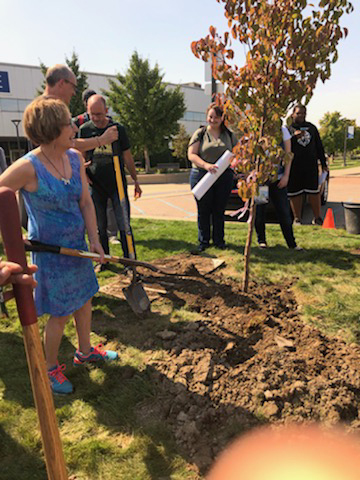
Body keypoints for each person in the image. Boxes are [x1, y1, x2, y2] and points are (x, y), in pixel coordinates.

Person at [0, 96, 118, 395]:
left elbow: (86, 202)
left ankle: (85, 350)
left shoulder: (75, 157)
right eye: (69, 122)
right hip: (50, 255)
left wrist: (95, 240)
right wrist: (13, 238)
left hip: (78, 247)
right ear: (52, 128)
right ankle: (50, 367)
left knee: (86, 298)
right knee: (61, 312)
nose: (75, 126)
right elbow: (1, 194)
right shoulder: (29, 167)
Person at [79, 94, 142, 267]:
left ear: (106, 111)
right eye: (93, 115)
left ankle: (130, 261)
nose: (97, 119)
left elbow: (127, 157)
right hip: (95, 185)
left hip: (117, 185)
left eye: (100, 114)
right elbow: (80, 156)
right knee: (100, 227)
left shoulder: (117, 129)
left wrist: (135, 180)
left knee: (124, 225)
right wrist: (83, 174)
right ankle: (103, 260)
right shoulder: (85, 130)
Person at [188, 103, 237, 252]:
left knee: (219, 210)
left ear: (222, 118)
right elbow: (191, 154)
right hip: (202, 175)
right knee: (203, 210)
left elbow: (237, 153)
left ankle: (219, 241)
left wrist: (235, 163)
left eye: (216, 117)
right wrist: (206, 165)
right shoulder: (200, 133)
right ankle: (203, 242)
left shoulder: (229, 134)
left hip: (224, 177)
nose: (213, 120)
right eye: (210, 116)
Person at [43, 64, 118, 152]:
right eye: (73, 87)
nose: (74, 93)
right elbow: (62, 144)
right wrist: (101, 140)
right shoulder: (46, 109)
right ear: (62, 83)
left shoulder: (55, 108)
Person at [255, 126, 301, 250]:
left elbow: (288, 155)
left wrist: (286, 175)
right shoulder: (258, 128)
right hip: (262, 179)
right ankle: (261, 241)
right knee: (260, 210)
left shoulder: (282, 130)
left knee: (284, 212)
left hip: (278, 179)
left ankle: (291, 244)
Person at [287, 104, 328, 226]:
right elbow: (284, 146)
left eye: (304, 113)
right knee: (295, 193)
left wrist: (324, 163)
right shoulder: (288, 129)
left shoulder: (312, 128)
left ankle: (317, 218)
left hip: (311, 166)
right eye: (299, 113)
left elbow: (319, 146)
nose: (301, 115)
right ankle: (297, 219)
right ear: (293, 114)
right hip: (294, 166)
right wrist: (293, 137)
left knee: (314, 192)